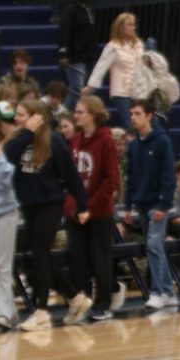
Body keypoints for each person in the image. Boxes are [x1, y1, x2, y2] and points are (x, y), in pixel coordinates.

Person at [4, 100, 90, 331]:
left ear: (36, 116)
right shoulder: (19, 140)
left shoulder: (54, 141)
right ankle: (75, 298)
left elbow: (71, 175)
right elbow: (7, 159)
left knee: (40, 254)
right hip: (29, 205)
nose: (17, 119)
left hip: (50, 204)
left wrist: (82, 205)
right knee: (39, 255)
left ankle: (41, 311)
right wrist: (26, 133)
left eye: (21, 115)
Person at [65, 96, 122, 322]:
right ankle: (84, 301)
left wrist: (89, 207)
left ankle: (103, 304)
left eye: (80, 112)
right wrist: (71, 206)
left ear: (93, 114)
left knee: (100, 259)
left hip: (98, 212)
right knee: (78, 259)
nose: (76, 115)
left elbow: (111, 180)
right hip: (76, 211)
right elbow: (70, 176)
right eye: (76, 111)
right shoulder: (76, 139)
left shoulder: (105, 141)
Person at [124, 99, 177, 310]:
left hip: (157, 203)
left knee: (154, 245)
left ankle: (158, 291)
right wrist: (128, 205)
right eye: (132, 114)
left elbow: (168, 177)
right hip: (141, 202)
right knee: (154, 247)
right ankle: (167, 290)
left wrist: (163, 205)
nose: (133, 118)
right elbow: (130, 177)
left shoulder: (162, 141)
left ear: (149, 116)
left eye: (137, 113)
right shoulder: (134, 145)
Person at [83, 12, 144, 130]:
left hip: (138, 89)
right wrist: (91, 86)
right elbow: (101, 66)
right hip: (121, 91)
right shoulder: (113, 46)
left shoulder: (138, 44)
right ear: (121, 27)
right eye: (130, 25)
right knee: (130, 124)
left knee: (142, 124)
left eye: (134, 25)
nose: (133, 28)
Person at [58, 0, 99, 112]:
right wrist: (63, 53)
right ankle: (61, 117)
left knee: (89, 90)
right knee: (76, 89)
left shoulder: (87, 8)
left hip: (89, 55)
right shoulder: (69, 9)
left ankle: (85, 118)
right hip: (74, 56)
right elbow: (64, 32)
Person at [0, 116, 19, 331]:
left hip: (5, 212)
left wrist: (0, 156)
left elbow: (8, 181)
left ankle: (3, 314)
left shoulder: (5, 151)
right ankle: (9, 313)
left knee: (2, 266)